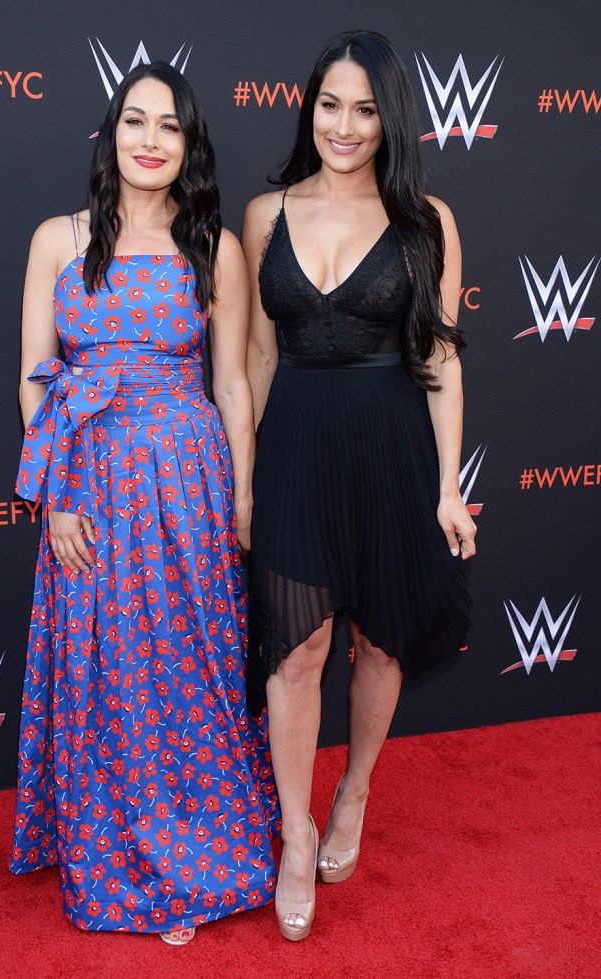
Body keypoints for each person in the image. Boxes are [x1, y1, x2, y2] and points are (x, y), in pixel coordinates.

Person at [10, 62, 278, 946]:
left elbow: (234, 385)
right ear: (110, 133)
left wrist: (237, 498)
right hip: (87, 480)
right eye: (135, 121)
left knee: (184, 669)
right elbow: (32, 376)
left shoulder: (216, 247)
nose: (151, 140)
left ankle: (187, 852)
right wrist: (54, 499)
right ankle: (114, 850)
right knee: (104, 672)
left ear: (190, 143)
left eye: (170, 126)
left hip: (184, 482)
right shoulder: (58, 239)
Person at [242, 30, 475, 942]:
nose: (345, 124)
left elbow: (442, 358)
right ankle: (294, 833)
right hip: (295, 443)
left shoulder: (428, 220)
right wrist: (245, 481)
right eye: (331, 104)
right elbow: (258, 355)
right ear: (310, 107)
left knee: (379, 643)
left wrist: (450, 485)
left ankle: (355, 788)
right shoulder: (265, 215)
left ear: (391, 118)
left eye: (366, 108)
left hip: (392, 447)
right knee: (297, 649)